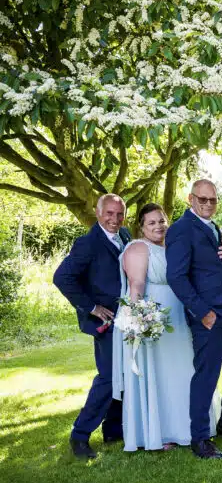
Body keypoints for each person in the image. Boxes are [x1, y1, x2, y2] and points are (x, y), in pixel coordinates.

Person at [114, 204, 215, 451]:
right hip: (153, 317)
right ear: (141, 226)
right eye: (152, 223)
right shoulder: (138, 248)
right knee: (158, 375)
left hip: (179, 316)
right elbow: (136, 286)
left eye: (162, 221)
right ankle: (161, 433)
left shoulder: (171, 246)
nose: (159, 226)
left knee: (184, 370)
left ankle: (189, 428)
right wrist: (138, 321)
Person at [166, 179, 222, 459]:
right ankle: (200, 439)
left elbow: (216, 262)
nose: (209, 204)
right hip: (208, 316)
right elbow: (176, 276)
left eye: (213, 200)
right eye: (203, 199)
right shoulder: (180, 230)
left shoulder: (211, 226)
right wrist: (202, 312)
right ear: (190, 199)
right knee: (207, 376)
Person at [54, 194, 131, 458]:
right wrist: (92, 307)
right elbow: (62, 277)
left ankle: (113, 430)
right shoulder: (87, 243)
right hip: (107, 322)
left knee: (124, 375)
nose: (114, 219)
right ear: (98, 214)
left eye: (119, 214)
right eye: (109, 214)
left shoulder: (126, 236)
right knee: (109, 377)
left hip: (129, 319)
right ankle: (80, 435)